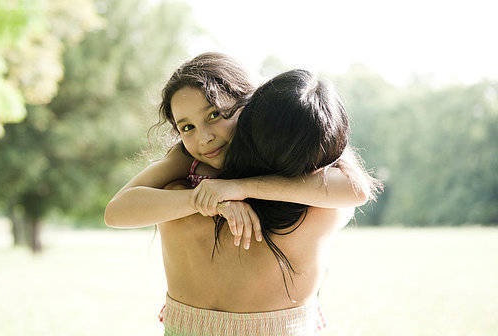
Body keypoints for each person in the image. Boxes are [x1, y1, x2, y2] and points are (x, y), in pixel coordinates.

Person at [105, 54, 380, 335]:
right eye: (187, 127)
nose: (204, 137)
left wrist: (240, 188)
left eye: (214, 114)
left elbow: (356, 190)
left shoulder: (297, 147)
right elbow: (116, 211)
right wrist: (205, 200)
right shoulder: (187, 160)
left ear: (250, 108)